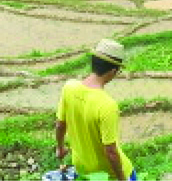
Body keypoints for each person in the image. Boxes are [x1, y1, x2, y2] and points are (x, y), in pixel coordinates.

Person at [56, 39, 134, 181]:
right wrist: (122, 179)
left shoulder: (69, 88)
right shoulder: (107, 105)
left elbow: (60, 124)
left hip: (83, 170)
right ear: (113, 71)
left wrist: (60, 148)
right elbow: (110, 151)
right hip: (108, 175)